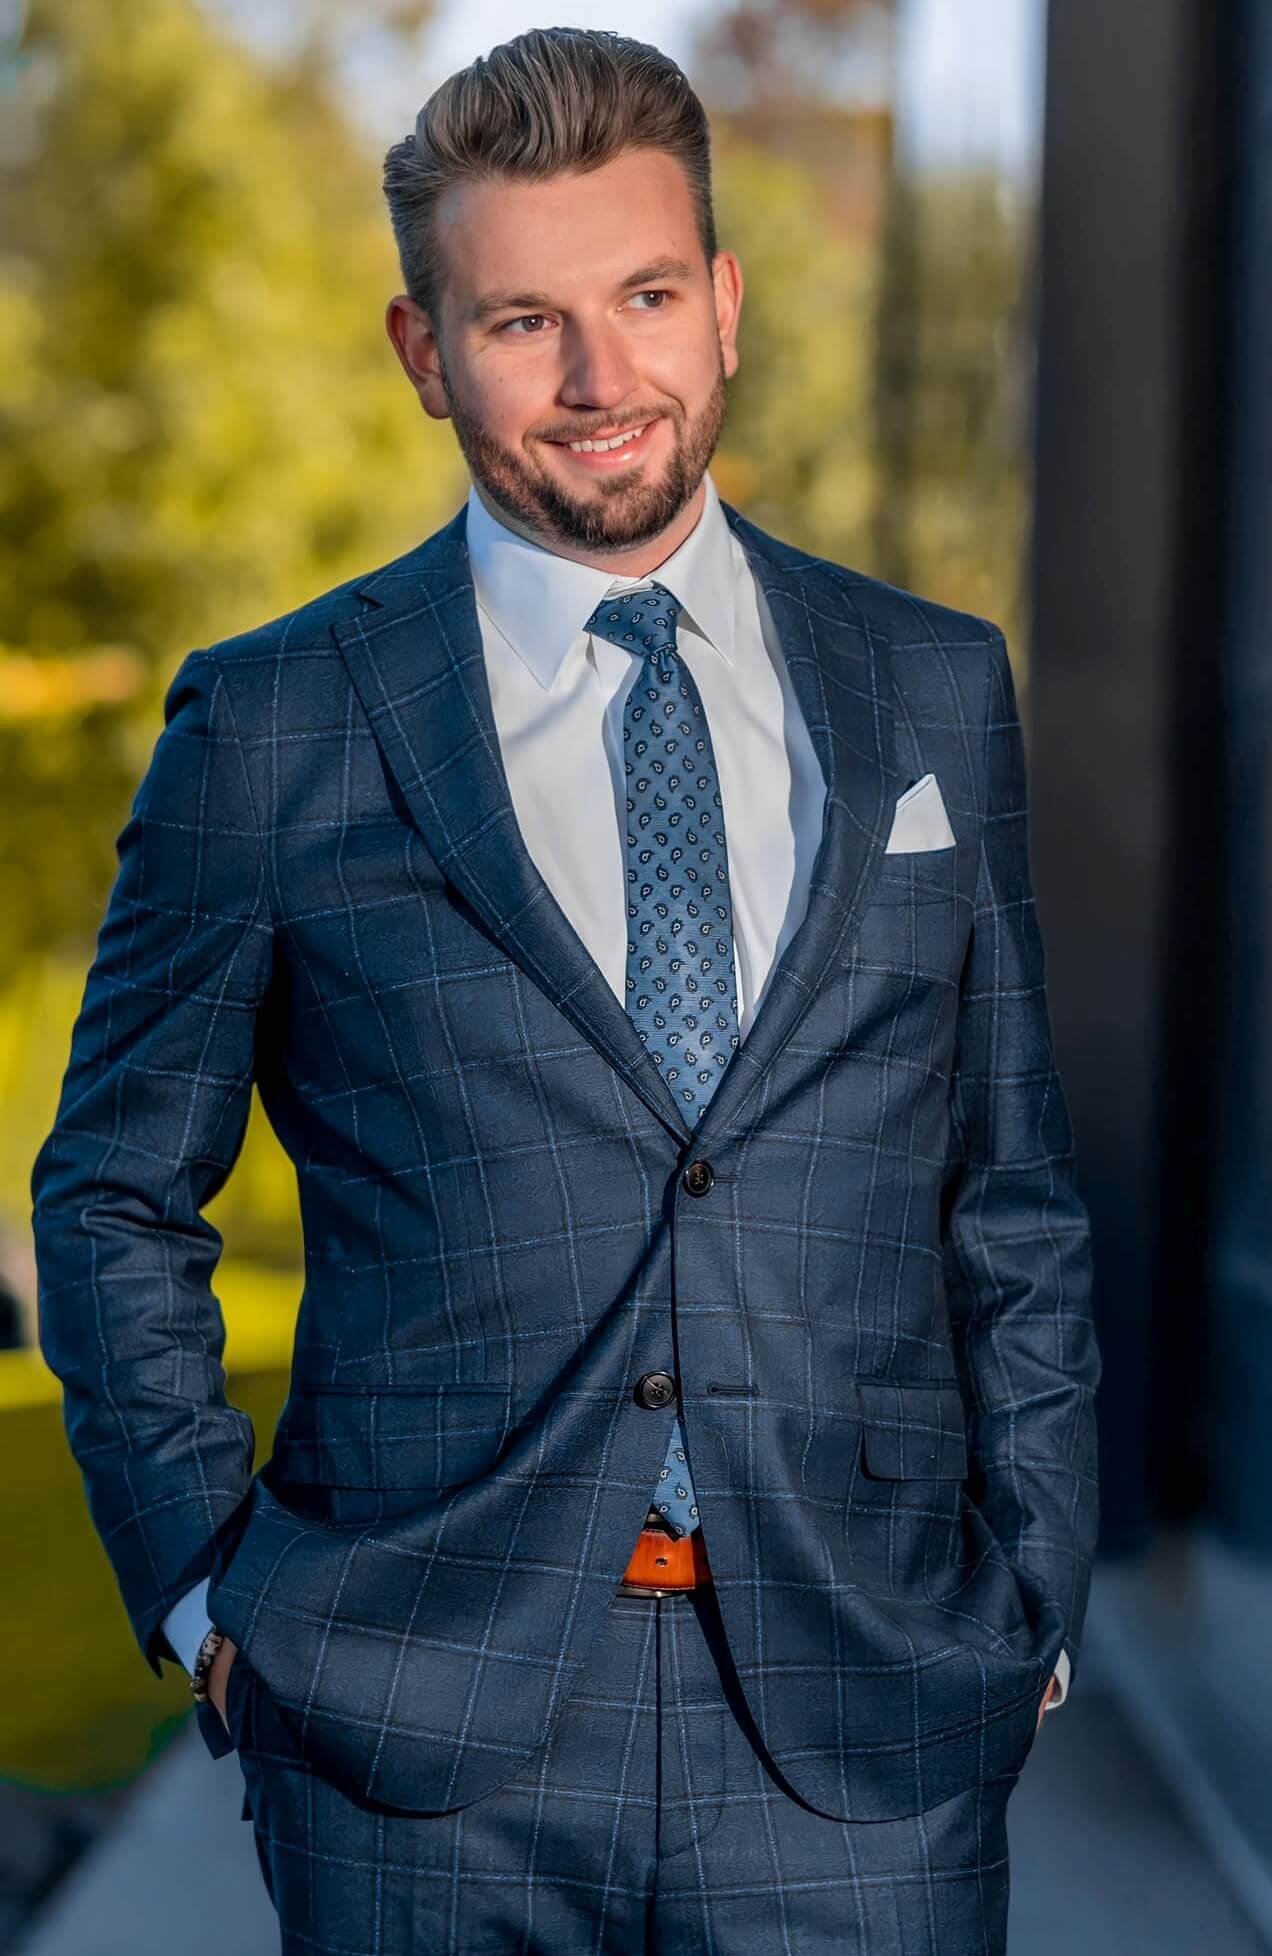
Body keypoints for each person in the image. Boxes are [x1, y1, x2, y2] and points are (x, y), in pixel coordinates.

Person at [31, 26, 1100, 1954]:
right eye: (525, 321)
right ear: (424, 352)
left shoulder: (933, 687)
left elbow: (1007, 1187)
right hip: (422, 1745)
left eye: (646, 296)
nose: (604, 380)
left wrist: (1035, 1597)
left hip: (871, 1724)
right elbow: (113, 1190)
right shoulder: (277, 725)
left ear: (727, 305)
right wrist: (213, 1611)